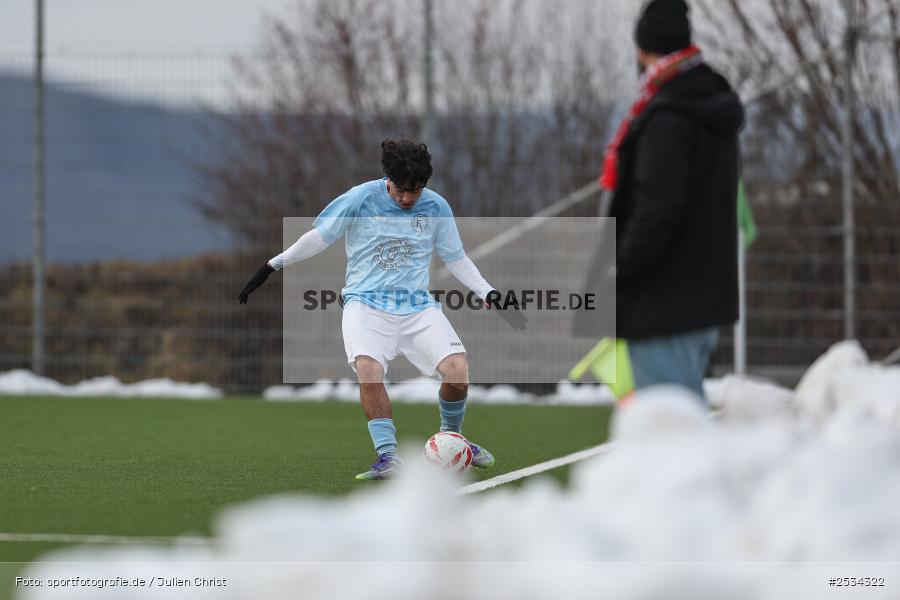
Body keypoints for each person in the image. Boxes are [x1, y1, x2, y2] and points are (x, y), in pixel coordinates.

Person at [239, 138, 525, 480]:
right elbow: (319, 237)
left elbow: (456, 257)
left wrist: (490, 294)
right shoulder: (360, 198)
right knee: (368, 369)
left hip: (417, 306)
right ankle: (388, 457)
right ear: (387, 177)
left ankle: (454, 439)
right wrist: (272, 266)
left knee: (457, 369)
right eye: (402, 189)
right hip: (365, 303)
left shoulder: (436, 207)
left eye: (415, 190)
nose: (408, 198)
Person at [583, 0, 744, 400]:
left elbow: (655, 215)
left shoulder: (667, 117)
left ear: (642, 49)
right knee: (686, 423)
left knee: (668, 435)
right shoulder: (709, 104)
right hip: (700, 298)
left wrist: (615, 273)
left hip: (663, 303)